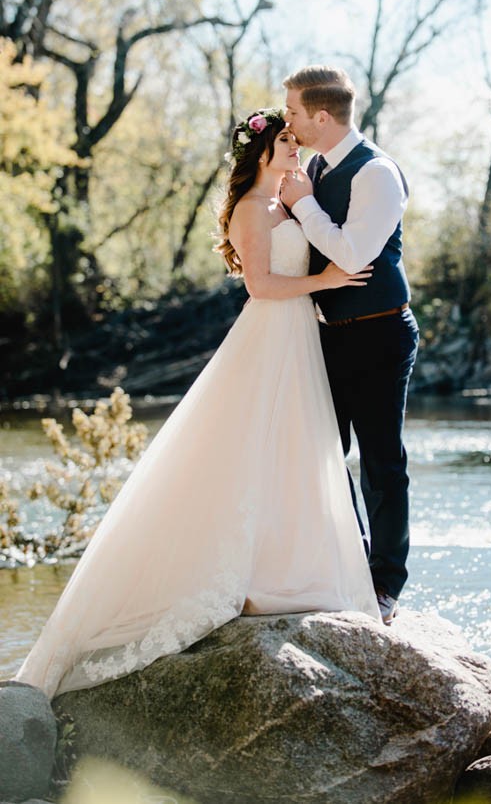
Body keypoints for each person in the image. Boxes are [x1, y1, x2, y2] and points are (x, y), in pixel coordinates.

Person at [13, 109, 379, 700]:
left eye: (295, 139)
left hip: (297, 337)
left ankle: (284, 567)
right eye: (285, 141)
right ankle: (236, 572)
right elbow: (260, 285)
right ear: (260, 153)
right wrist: (325, 282)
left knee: (291, 448)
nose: (295, 148)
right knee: (248, 445)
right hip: (269, 332)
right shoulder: (251, 210)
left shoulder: (285, 205)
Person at [280, 66, 419, 625]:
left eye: (291, 111)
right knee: (321, 454)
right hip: (327, 333)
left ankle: (384, 585)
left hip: (380, 332)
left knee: (381, 461)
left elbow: (352, 254)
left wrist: (304, 205)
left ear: (320, 115)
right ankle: (343, 568)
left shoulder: (377, 173)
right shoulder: (311, 166)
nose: (286, 120)